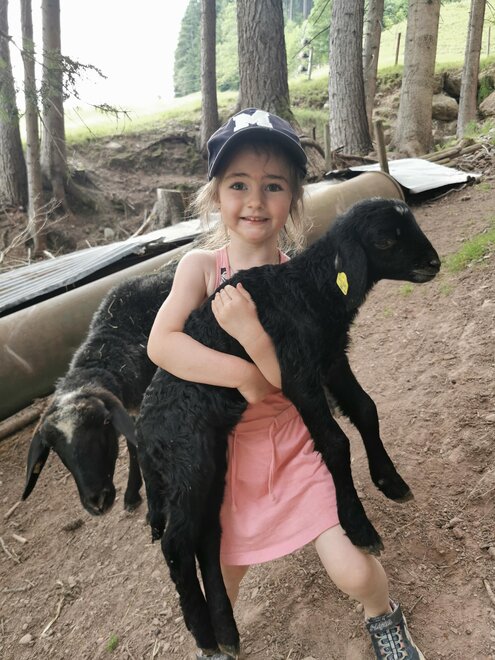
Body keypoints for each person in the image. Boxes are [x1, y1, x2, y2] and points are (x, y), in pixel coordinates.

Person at [147, 107, 425, 660]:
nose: (255, 200)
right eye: (238, 185)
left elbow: (297, 380)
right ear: (214, 195)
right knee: (223, 576)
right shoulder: (200, 269)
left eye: (273, 186)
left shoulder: (300, 276)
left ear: (294, 199)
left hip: (297, 443)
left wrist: (250, 336)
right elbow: (162, 344)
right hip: (231, 456)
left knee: (353, 568)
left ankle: (382, 614)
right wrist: (241, 375)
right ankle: (217, 648)